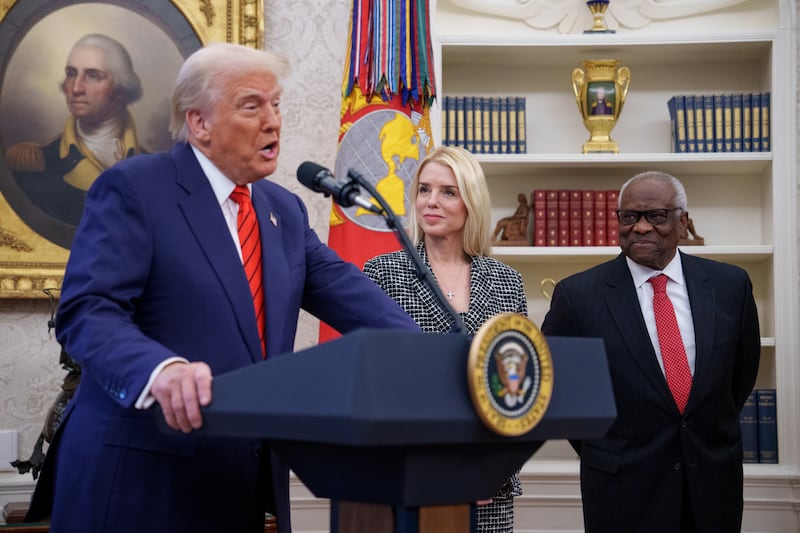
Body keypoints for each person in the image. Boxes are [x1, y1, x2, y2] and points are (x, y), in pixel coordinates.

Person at [24, 42, 419, 533]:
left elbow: (360, 303)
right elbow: (87, 311)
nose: (273, 121)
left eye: (276, 104)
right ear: (199, 123)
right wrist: (160, 371)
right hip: (140, 484)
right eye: (252, 106)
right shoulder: (136, 188)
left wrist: (443, 363)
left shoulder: (284, 213)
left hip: (237, 487)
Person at [541, 170, 760, 532]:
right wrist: (609, 449)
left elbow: (739, 379)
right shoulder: (578, 296)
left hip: (711, 486)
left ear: (683, 222)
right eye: (630, 217)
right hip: (621, 490)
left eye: (655, 216)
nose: (641, 227)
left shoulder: (730, 286)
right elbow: (560, 389)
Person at [364, 145, 526, 532]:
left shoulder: (507, 282)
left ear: (471, 201)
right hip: (409, 482)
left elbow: (518, 389)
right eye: (423, 190)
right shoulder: (383, 273)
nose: (430, 202)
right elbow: (375, 387)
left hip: (488, 488)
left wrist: (493, 468)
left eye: (447, 192)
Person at [4, 33, 146, 226]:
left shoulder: (153, 169)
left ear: (121, 89)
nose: (76, 88)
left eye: (93, 76)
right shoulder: (36, 163)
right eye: (72, 74)